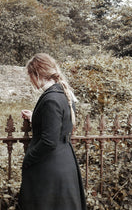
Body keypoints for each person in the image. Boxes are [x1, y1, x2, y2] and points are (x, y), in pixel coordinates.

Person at [18, 53, 87, 210]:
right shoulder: (64, 94)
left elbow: (49, 141)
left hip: (50, 169)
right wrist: (35, 117)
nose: (30, 80)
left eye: (30, 75)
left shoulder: (51, 99)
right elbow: (60, 123)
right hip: (64, 162)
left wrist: (29, 158)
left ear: (37, 73)